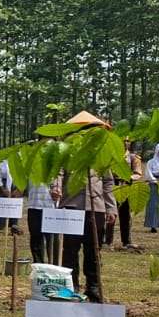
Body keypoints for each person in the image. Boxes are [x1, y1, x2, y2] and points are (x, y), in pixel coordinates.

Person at [57, 113, 116, 303]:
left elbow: (108, 182)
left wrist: (111, 208)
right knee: (70, 250)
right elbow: (58, 173)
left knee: (93, 250)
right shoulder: (67, 153)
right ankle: (71, 286)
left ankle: (93, 286)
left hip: (95, 208)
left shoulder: (101, 156)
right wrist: (56, 188)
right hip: (72, 206)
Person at [109, 142, 142, 248]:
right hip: (112, 188)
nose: (124, 144)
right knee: (110, 214)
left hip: (126, 187)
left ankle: (126, 241)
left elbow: (138, 173)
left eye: (126, 142)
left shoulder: (133, 157)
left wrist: (127, 177)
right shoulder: (110, 156)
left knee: (125, 216)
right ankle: (107, 240)